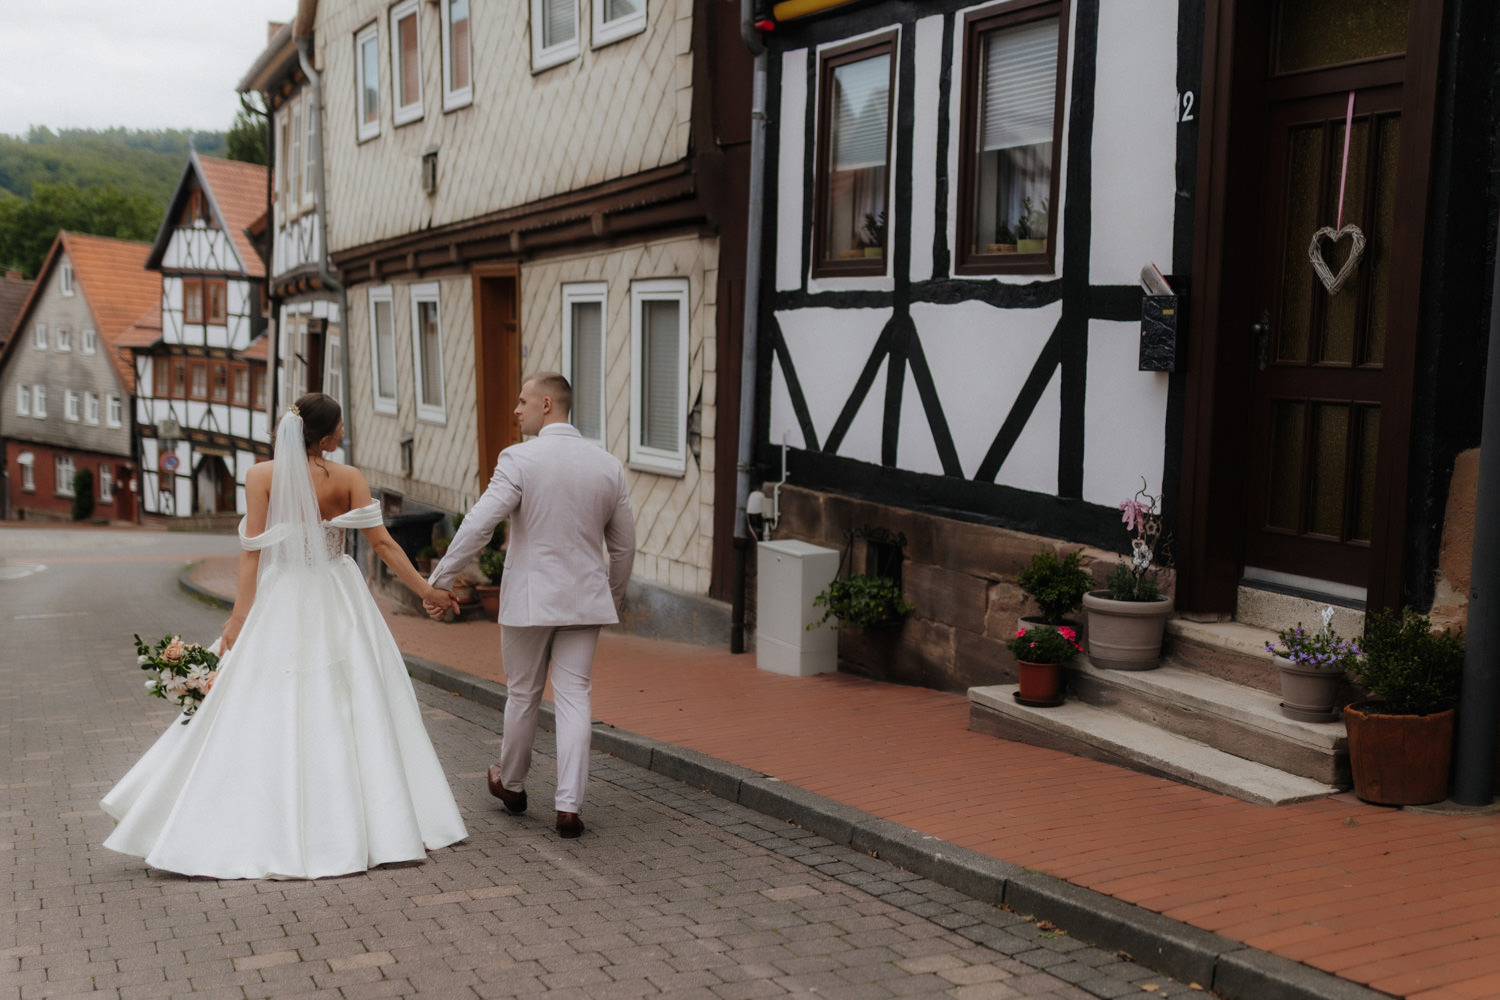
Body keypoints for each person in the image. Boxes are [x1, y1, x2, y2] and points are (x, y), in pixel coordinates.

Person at [100, 393, 468, 879]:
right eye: (339, 425)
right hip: (337, 591)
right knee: (353, 693)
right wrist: (427, 591)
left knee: (267, 695)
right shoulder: (350, 478)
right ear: (326, 435)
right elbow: (382, 543)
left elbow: (252, 551)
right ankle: (376, 821)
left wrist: (239, 617)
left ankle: (266, 813)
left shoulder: (260, 476)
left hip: (283, 592)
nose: (343, 432)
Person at [426, 372, 634, 840]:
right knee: (575, 696)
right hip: (585, 601)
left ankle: (513, 784)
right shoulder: (607, 466)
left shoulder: (519, 458)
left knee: (523, 694)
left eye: (523, 401)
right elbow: (624, 547)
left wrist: (439, 580)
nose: (516, 410)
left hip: (529, 600)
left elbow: (479, 523)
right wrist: (612, 599)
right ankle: (568, 807)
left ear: (546, 404)